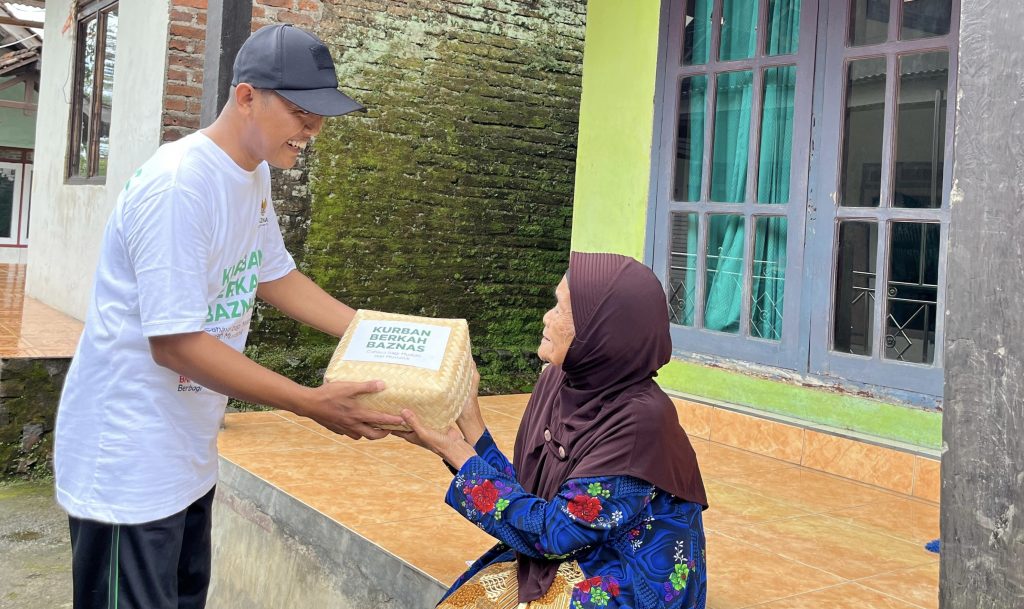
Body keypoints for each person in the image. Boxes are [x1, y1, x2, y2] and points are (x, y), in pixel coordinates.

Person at [53, 24, 404, 609]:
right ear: (246, 97)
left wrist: (384, 335)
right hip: (129, 462)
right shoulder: (180, 186)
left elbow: (273, 275)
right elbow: (175, 343)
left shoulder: (251, 171)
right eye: (301, 113)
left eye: (320, 117)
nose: (313, 131)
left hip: (186, 453)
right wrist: (309, 402)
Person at [398, 252, 709, 609]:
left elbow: (553, 534)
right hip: (573, 547)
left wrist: (457, 452)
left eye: (561, 309)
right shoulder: (560, 381)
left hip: (627, 575)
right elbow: (529, 496)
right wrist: (468, 421)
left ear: (601, 331)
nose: (546, 317)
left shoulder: (640, 422)